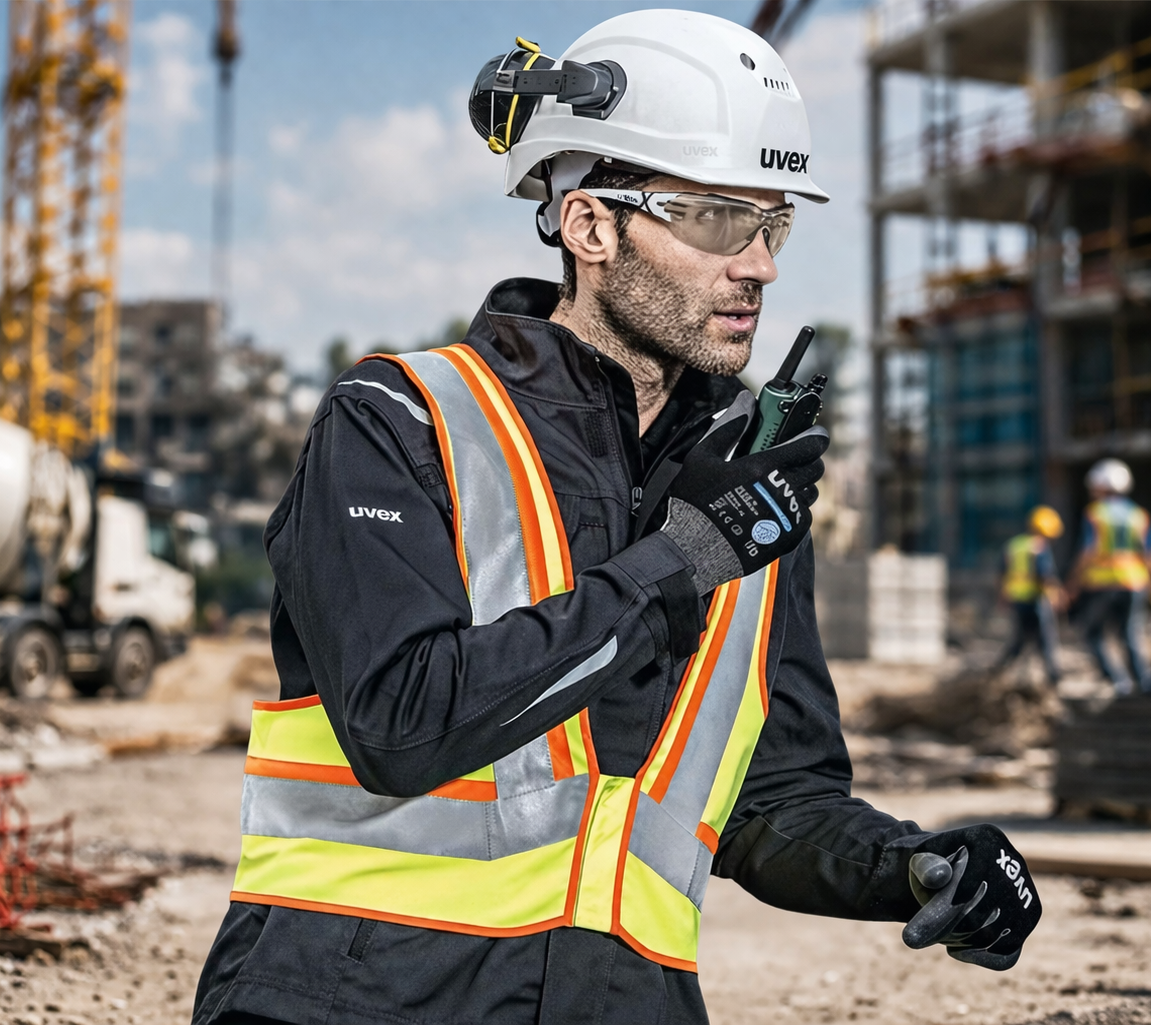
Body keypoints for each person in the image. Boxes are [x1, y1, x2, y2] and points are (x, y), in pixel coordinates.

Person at [193, 13, 1042, 1025]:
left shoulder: (746, 497)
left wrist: (912, 865)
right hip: (354, 1000)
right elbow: (401, 722)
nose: (760, 264)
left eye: (771, 222)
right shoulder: (399, 422)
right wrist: (680, 562)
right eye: (718, 220)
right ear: (592, 227)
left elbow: (767, 803)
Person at [1068, 459, 1151, 695]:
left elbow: (1088, 551)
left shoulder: (1095, 514)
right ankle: (1144, 682)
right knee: (1130, 633)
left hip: (1103, 583)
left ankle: (1118, 681)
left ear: (1101, 486)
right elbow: (1150, 553)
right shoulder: (1138, 515)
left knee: (1092, 632)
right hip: (1135, 581)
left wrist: (1073, 583)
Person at [992, 506, 1066, 686]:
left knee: (1019, 639)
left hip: (1017, 600)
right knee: (1046, 640)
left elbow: (1002, 574)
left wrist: (1002, 596)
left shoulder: (1014, 545)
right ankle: (1053, 676)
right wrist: (1057, 596)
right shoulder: (1040, 548)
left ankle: (999, 671)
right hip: (1036, 600)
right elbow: (1044, 576)